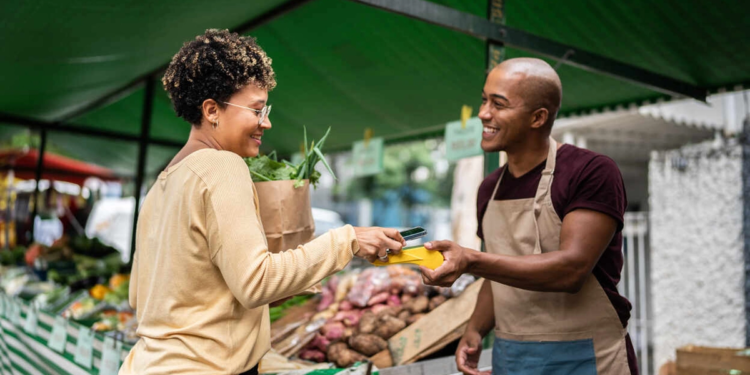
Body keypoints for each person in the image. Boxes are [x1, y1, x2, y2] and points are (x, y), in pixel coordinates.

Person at [119, 29, 405, 375]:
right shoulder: (222, 166)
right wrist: (348, 241)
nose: (266, 122)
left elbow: (142, 296)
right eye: (257, 110)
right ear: (212, 110)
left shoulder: (164, 183)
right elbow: (255, 283)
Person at [419, 58, 638, 374]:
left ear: (538, 117)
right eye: (484, 100)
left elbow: (571, 270)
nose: (483, 113)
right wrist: (476, 329)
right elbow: (499, 274)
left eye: (499, 104)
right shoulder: (489, 189)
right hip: (512, 357)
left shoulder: (590, 172)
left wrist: (471, 260)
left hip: (587, 357)